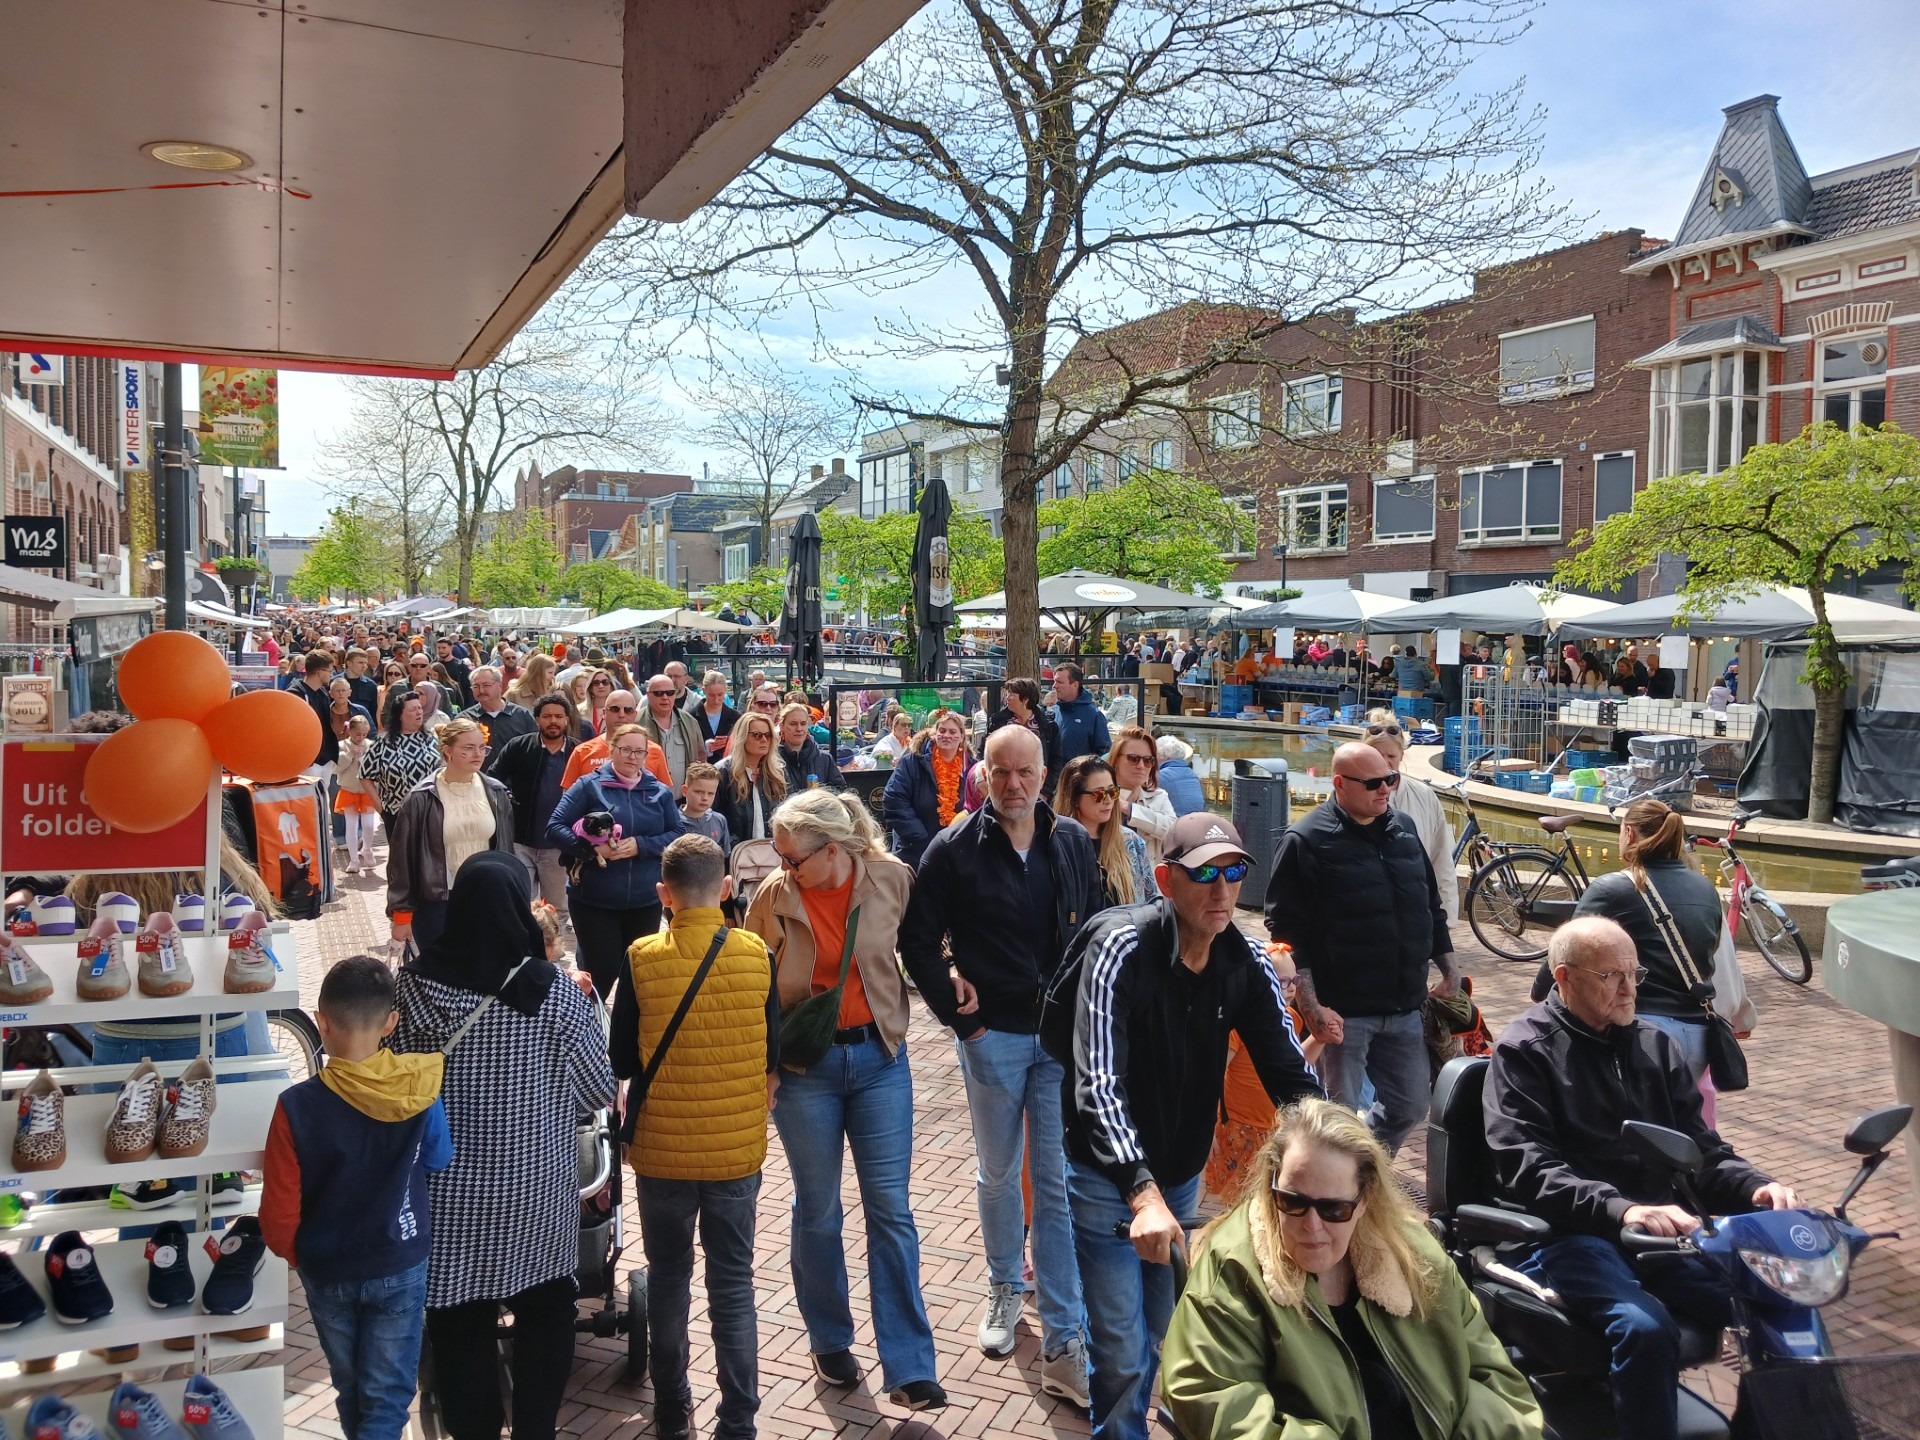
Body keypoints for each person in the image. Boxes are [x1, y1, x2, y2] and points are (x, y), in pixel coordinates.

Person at [1486, 916, 1799, 1440]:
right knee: (1646, 1329)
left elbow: (1701, 1153)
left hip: (1661, 1234)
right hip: (1569, 1235)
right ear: (1564, 977)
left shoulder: (1654, 1045)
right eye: (1611, 976)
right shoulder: (1525, 1051)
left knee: (1774, 1298)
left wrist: (1755, 1186)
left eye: (1635, 974)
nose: (1630, 989)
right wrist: (1624, 1209)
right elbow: (1528, 1168)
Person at [1062, 813, 1321, 1440]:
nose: (1221, 890)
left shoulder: (1246, 960)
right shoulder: (1121, 949)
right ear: (1164, 880)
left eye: (1233, 873)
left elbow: (1290, 1073)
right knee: (1122, 1352)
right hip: (1110, 1181)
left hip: (1179, 1176)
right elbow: (1097, 1082)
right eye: (1204, 874)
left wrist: (1343, 1151)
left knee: (1168, 1333)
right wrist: (1141, 1192)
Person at [900, 725, 1100, 1406]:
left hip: (1058, 1040)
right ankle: (1005, 1284)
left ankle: (1065, 1338)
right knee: (997, 1171)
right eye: (1001, 772)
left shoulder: (1070, 840)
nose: (1013, 785)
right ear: (982, 774)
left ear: (1044, 774)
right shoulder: (953, 848)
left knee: (1055, 1182)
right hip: (994, 1038)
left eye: (1025, 772)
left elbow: (1095, 929)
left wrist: (1089, 1016)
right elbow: (917, 941)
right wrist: (964, 1021)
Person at [392, 854, 617, 1440]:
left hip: (448, 1193)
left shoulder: (413, 989)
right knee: (547, 1310)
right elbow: (598, 1089)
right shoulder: (554, 992)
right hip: (535, 1191)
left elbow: (396, 1081)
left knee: (458, 1319)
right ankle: (536, 1428)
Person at [1162, 1099, 1540, 1440]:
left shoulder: (1413, 1254)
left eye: (1334, 1209)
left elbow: (1494, 1379)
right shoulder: (1234, 1268)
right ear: (1271, 1187)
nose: (1312, 1226)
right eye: (1292, 1202)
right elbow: (1211, 1395)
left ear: (1365, 1200)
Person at [745, 790, 948, 1410]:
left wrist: (953, 973)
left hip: (880, 1061)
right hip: (805, 1068)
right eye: (779, 856)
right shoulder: (773, 898)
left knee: (891, 1210)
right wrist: (765, 1067)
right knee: (819, 1209)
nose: (784, 868)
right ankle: (829, 1338)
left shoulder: (891, 880)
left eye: (793, 858)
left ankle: (909, 1364)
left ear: (833, 849)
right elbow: (752, 986)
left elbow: (923, 946)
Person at [612, 835, 778, 1440]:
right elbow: (772, 1052)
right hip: (735, 1150)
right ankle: (738, 1420)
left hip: (662, 1152)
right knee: (733, 1284)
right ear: (727, 889)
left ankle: (671, 1408)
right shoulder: (757, 954)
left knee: (668, 1278)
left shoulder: (640, 957)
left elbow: (622, 1058)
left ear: (664, 894)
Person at [263, 957, 453, 1440]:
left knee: (350, 1390)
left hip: (328, 1267)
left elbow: (279, 1211)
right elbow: (438, 1157)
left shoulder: (295, 1107)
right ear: (391, 1023)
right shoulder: (419, 1089)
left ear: (321, 1022)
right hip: (399, 1259)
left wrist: (299, 1254)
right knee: (387, 1398)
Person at [1265, 742, 1457, 1156]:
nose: (1385, 789)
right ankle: (1338, 1179)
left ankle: (1362, 1171)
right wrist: (1312, 1008)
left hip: (1404, 1004)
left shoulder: (1404, 828)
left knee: (1410, 1105)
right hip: (1343, 1012)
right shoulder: (1306, 839)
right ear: (1339, 784)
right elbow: (1286, 930)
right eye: (1373, 783)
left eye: (1390, 779)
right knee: (1336, 1117)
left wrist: (1450, 969)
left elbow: (1430, 904)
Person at [1529, 798, 1725, 1088]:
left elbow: (1567, 950)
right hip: (1697, 1034)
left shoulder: (1612, 888)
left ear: (1630, 833)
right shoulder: (1706, 888)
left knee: (1626, 1114)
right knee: (1675, 1113)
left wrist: (1539, 993)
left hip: (1640, 1032)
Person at [544, 722, 686, 998]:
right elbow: (554, 827)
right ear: (612, 750)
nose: (632, 757)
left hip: (644, 899)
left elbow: (678, 832)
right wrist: (592, 850)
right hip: (595, 899)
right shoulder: (589, 786)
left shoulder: (658, 791)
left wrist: (641, 845)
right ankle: (586, 1018)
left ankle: (624, 1022)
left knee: (638, 971)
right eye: (625, 750)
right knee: (603, 969)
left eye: (639, 752)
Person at [387, 718, 514, 952]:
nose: (478, 754)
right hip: (437, 903)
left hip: (487, 898)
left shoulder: (496, 792)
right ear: (448, 750)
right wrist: (401, 914)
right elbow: (401, 859)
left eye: (482, 747)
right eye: (468, 748)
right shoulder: (421, 797)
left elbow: (506, 851)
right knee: (440, 969)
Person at [486, 693, 580, 919]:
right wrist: (507, 796)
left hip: (558, 845)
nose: (553, 721)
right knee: (521, 904)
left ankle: (552, 943)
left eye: (558, 716)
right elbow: (492, 778)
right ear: (537, 720)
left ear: (567, 720)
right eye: (547, 716)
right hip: (521, 841)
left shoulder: (578, 752)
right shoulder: (519, 746)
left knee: (557, 909)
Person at [1362, 711, 1459, 926]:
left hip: (1416, 915)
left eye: (1391, 756)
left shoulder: (1424, 796)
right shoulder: (1353, 796)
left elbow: (1441, 860)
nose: (1385, 763)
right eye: (1377, 755)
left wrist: (1447, 919)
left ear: (1401, 756)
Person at [1053, 754, 1156, 908]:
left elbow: (1150, 902)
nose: (1108, 800)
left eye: (1113, 792)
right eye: (1099, 794)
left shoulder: (1131, 842)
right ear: (1074, 798)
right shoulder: (1055, 844)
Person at [881, 710, 973, 870]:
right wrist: (921, 839)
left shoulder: (971, 767)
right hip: (916, 854)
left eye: (953, 732)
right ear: (934, 734)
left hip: (958, 854)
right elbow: (894, 800)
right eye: (942, 730)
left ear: (962, 737)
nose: (946, 735)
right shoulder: (912, 762)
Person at [563, 691, 672, 789]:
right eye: (615, 709)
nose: (621, 715)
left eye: (628, 710)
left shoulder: (654, 751)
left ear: (635, 715)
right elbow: (568, 795)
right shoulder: (582, 752)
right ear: (604, 713)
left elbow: (665, 794)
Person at [714, 711, 787, 845]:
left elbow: (787, 813)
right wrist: (732, 845)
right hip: (736, 852)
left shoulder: (778, 772)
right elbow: (713, 819)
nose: (764, 740)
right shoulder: (722, 772)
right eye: (757, 735)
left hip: (773, 850)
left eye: (768, 735)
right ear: (742, 737)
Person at [1106, 726, 1176, 866]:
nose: (1141, 766)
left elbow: (1174, 833)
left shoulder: (1159, 797)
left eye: (1148, 760)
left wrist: (1130, 809)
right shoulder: (1101, 795)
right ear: (1116, 760)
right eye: (1133, 759)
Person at [642, 673, 708, 791]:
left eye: (670, 693)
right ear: (648, 695)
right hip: (648, 797)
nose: (665, 697)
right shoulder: (636, 722)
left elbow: (701, 757)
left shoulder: (690, 721)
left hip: (684, 798)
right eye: (658, 693)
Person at [335, 714, 380, 875]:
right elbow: (336, 768)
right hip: (349, 790)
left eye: (364, 735)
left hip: (367, 791)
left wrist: (364, 758)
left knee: (368, 825)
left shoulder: (371, 746)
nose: (360, 738)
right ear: (349, 732)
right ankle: (354, 859)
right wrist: (349, 755)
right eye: (357, 735)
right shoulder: (342, 746)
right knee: (351, 826)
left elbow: (376, 767)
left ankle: (367, 849)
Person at [457, 665, 535, 751]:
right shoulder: (465, 719)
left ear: (500, 686)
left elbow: (535, 747)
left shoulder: (523, 716)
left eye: (486, 685)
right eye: (476, 686)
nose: (481, 690)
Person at [777, 701, 846, 791]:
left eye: (803, 723)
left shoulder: (825, 759)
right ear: (781, 726)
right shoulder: (773, 761)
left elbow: (840, 790)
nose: (799, 729)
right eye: (793, 724)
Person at [1051, 662, 1111, 764]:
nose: (1054, 686)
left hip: (1081, 773)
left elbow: (1104, 754)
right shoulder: (1052, 712)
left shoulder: (1094, 715)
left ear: (1075, 684)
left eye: (1059, 682)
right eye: (1054, 681)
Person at [692, 670, 740, 762]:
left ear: (725, 690)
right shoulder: (691, 717)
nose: (716, 700)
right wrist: (704, 748)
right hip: (700, 768)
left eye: (720, 695)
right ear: (703, 691)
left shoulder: (736, 717)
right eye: (711, 695)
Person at [1153, 735, 1205, 817]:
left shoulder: (1161, 776)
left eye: (1154, 755)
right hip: (1196, 821)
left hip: (1175, 822)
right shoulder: (1193, 775)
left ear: (1164, 757)